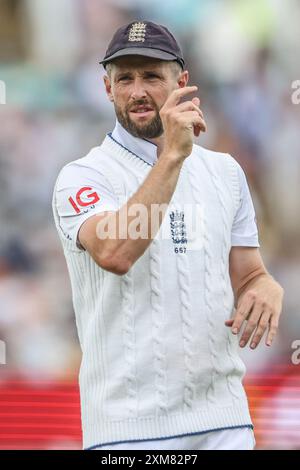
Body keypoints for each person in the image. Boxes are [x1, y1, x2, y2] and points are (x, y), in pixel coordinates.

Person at [52, 21, 284, 450]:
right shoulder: (82, 176)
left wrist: (266, 287)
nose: (137, 90)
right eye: (125, 78)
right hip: (127, 430)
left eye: (152, 76)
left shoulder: (225, 172)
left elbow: (250, 274)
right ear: (107, 88)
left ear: (182, 81)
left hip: (224, 420)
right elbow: (116, 252)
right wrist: (174, 155)